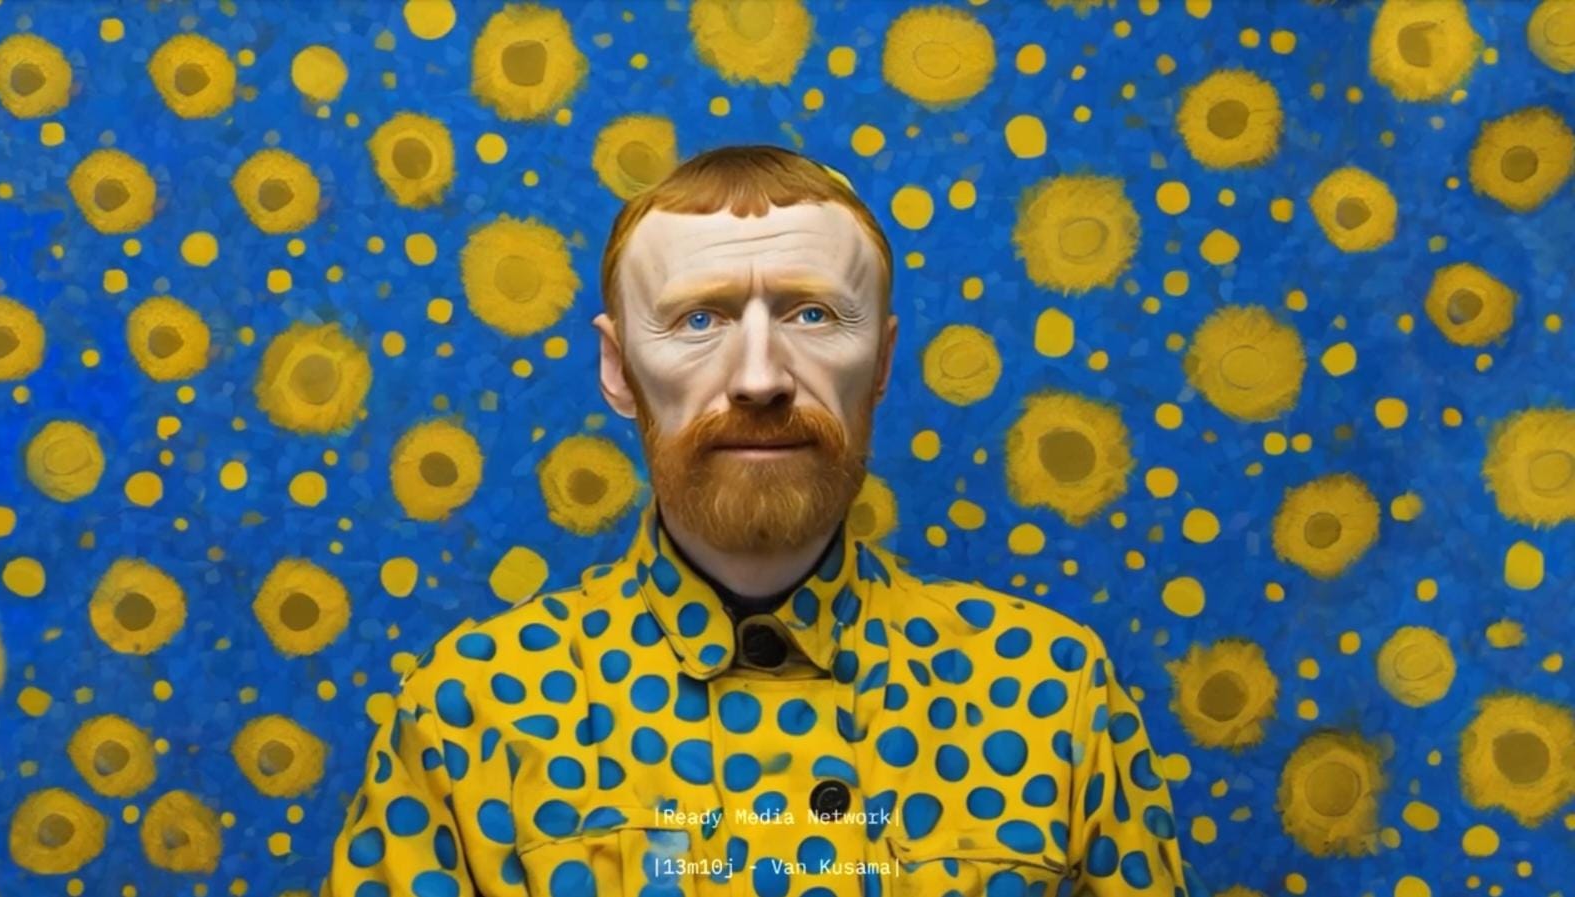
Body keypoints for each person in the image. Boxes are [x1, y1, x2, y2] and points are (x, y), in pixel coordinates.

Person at [324, 145, 1207, 897]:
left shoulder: (1052, 692)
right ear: (619, 368)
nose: (759, 378)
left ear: (882, 362)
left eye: (813, 314)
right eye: (698, 318)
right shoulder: (471, 712)